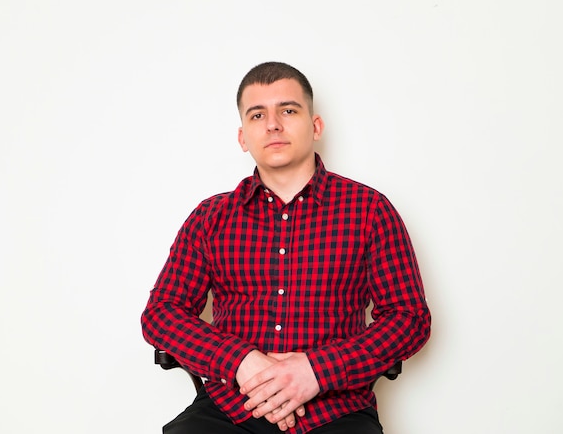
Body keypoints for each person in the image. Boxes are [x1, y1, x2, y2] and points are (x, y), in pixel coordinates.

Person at [141, 62, 431, 434]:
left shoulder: (369, 210)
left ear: (315, 127)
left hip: (336, 411)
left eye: (288, 110)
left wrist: (316, 370)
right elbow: (162, 312)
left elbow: (409, 318)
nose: (273, 124)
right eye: (257, 114)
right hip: (230, 407)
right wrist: (240, 361)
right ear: (243, 136)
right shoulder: (210, 217)